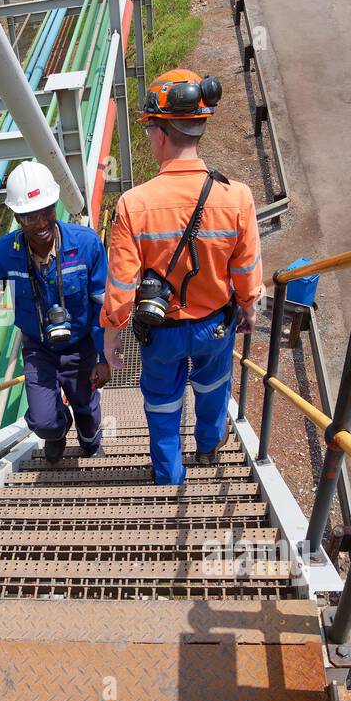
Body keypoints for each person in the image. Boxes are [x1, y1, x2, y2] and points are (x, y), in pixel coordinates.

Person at [100, 69, 263, 484]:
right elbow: (245, 268)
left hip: (161, 331)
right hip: (214, 325)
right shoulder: (236, 197)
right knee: (213, 388)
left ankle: (169, 475)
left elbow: (120, 284)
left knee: (161, 403)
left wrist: (112, 335)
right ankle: (209, 447)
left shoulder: (133, 205)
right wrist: (247, 308)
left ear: (158, 132)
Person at [0, 161, 110, 462]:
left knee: (85, 404)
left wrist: (104, 356)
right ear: (17, 217)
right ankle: (57, 430)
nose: (41, 223)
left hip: (81, 345)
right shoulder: (6, 251)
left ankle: (89, 439)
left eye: (47, 211)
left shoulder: (86, 245)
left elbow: (102, 305)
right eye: (30, 216)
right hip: (38, 347)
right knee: (43, 420)